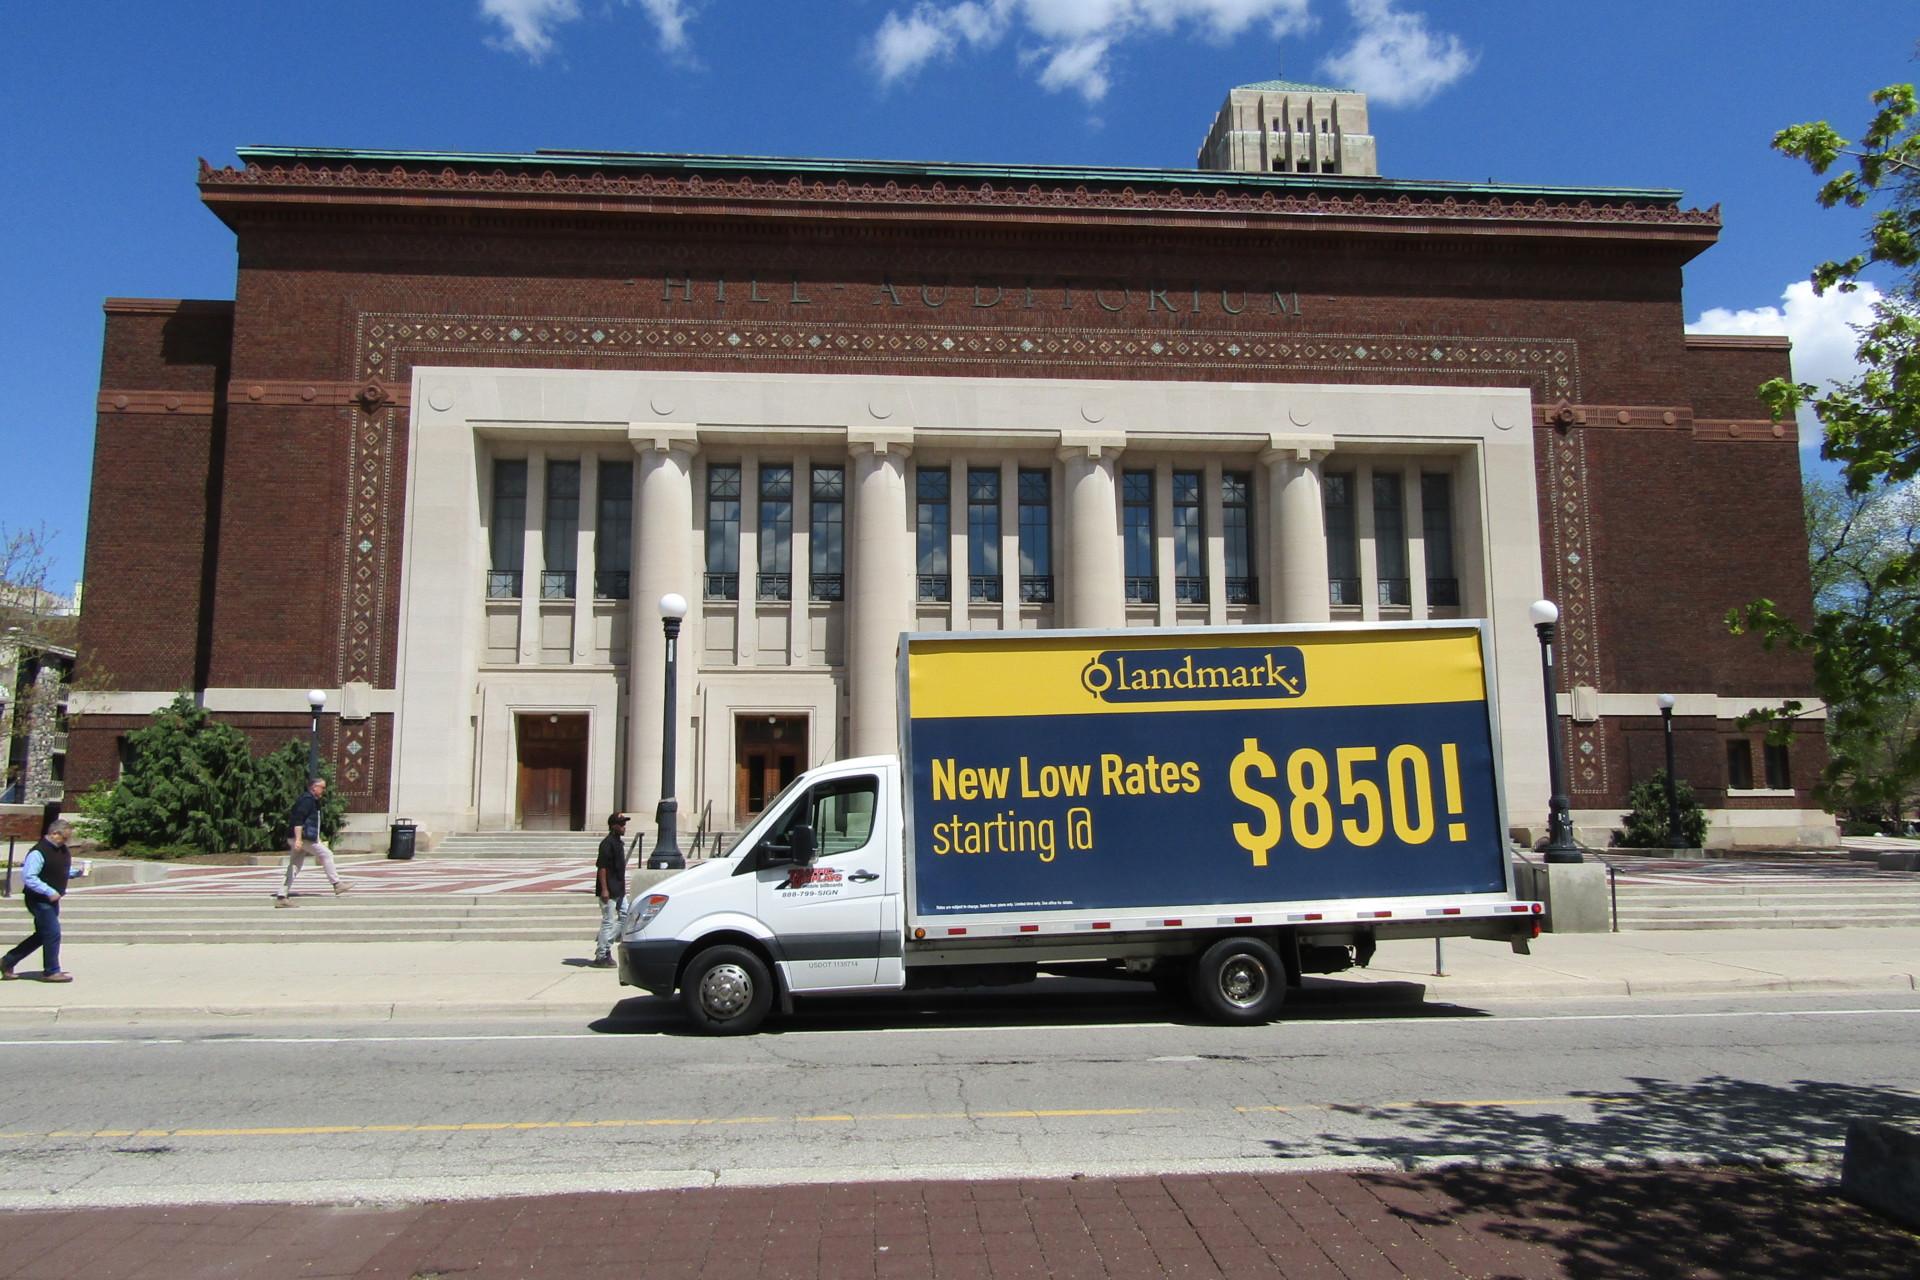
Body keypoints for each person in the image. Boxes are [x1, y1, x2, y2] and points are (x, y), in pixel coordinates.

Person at [3, 819, 75, 982]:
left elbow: (60, 869)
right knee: (52, 932)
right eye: (64, 838)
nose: (66, 842)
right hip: (38, 900)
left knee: (42, 935)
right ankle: (51, 971)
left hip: (52, 900)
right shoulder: (38, 852)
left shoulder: (61, 850)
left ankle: (7, 962)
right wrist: (49, 891)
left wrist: (74, 873)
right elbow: (29, 877)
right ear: (54, 834)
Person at [275, 778, 349, 906]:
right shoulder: (307, 800)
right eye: (322, 787)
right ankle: (337, 884)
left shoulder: (312, 801)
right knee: (327, 854)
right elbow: (298, 820)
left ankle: (282, 896)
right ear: (314, 787)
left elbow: (313, 823)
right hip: (303, 838)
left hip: (303, 838)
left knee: (294, 866)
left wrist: (317, 838)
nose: (323, 791)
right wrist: (298, 840)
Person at [592, 812, 630, 967]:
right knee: (608, 921)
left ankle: (606, 944)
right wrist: (604, 890)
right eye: (621, 824)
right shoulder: (607, 843)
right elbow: (602, 868)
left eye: (624, 824)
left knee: (625, 916)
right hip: (609, 889)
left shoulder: (618, 843)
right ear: (613, 826)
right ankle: (601, 955)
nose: (624, 827)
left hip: (619, 889)